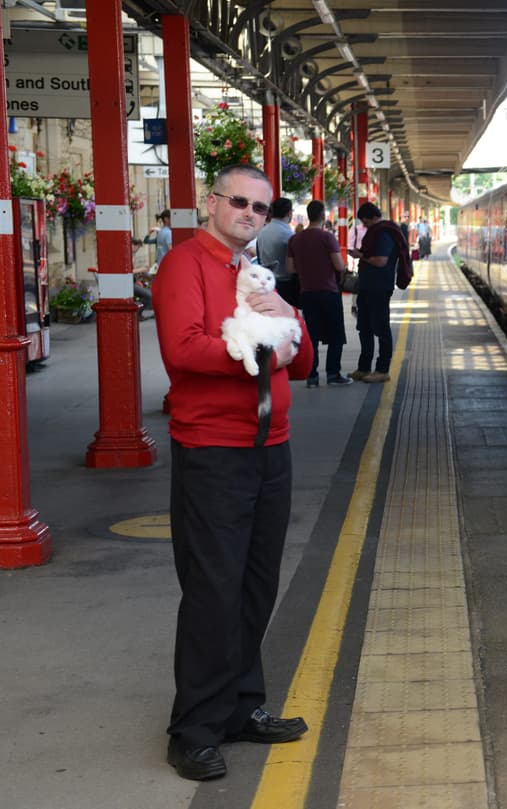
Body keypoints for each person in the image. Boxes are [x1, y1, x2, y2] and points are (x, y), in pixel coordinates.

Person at [151, 164, 314, 782]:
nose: (249, 214)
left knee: (255, 583)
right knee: (213, 589)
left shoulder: (256, 272)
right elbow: (183, 349)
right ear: (212, 203)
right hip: (214, 450)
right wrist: (263, 351)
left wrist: (287, 316)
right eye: (239, 202)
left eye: (260, 208)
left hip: (272, 446)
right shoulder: (185, 265)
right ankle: (193, 730)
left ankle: (242, 708)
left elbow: (302, 363)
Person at [288, 199, 352, 387]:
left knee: (312, 336)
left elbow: (290, 268)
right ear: (323, 215)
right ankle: (333, 374)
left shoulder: (295, 239)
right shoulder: (327, 238)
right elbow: (339, 265)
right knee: (335, 335)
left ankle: (312, 376)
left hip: (307, 293)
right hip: (329, 292)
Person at [347, 201, 410, 384]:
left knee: (381, 328)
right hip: (368, 286)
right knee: (364, 327)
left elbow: (381, 261)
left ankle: (382, 369)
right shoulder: (377, 231)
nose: (364, 225)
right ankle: (364, 367)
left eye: (365, 221)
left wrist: (361, 256)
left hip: (379, 287)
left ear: (374, 217)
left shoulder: (384, 233)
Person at [255, 197, 299, 307]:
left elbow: (259, 256)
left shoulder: (261, 232)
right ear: (289, 213)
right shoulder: (289, 235)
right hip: (287, 285)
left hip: (266, 283)